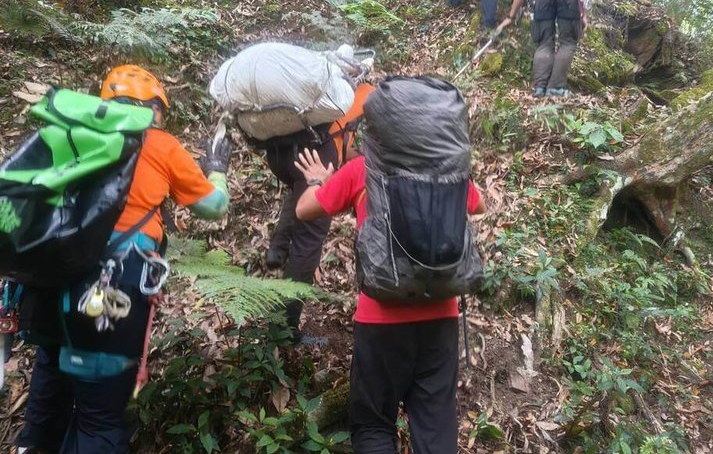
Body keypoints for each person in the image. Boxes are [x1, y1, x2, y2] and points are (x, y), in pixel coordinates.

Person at [16, 64, 232, 453]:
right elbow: (213, 207)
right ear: (154, 110)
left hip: (52, 278)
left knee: (52, 380)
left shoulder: (70, 135)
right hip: (113, 286)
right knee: (100, 417)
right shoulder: (160, 144)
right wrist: (216, 170)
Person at [294, 114, 487, 453]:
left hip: (380, 320)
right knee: (435, 427)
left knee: (372, 425)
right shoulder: (446, 170)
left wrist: (319, 182)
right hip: (440, 317)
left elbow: (304, 210)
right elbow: (479, 204)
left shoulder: (362, 170)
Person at [260, 81, 374, 344]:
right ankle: (285, 331)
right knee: (308, 243)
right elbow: (357, 146)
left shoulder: (323, 92)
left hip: (281, 156)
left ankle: (276, 250)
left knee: (300, 187)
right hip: (317, 154)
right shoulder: (367, 95)